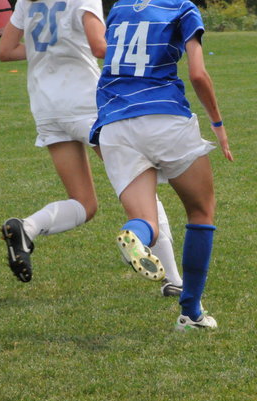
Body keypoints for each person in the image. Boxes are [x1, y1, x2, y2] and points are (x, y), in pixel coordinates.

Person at [0, 0, 184, 297]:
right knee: (142, 187)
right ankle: (173, 280)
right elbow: (99, 47)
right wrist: (149, 52)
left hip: (47, 107)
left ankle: (27, 228)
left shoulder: (26, 1)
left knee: (84, 203)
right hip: (87, 104)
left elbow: (6, 51)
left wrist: (54, 49)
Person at [89, 0, 234, 331]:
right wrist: (218, 124)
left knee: (146, 220)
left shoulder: (120, 8)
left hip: (114, 124)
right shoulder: (182, 8)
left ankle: (135, 235)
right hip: (164, 117)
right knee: (201, 212)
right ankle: (191, 313)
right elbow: (197, 73)